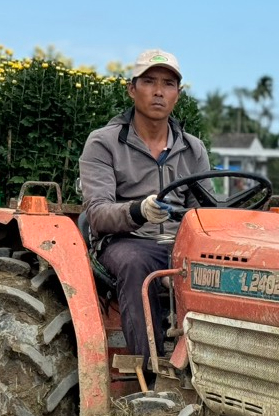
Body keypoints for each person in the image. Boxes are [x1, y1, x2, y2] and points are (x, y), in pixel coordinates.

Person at [79, 49, 211, 368]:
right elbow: (97, 213)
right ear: (131, 88)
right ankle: (149, 374)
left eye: (167, 84)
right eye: (149, 81)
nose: (158, 91)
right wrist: (139, 210)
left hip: (179, 246)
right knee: (138, 264)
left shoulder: (193, 149)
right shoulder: (104, 143)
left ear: (177, 94)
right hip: (126, 241)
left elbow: (205, 212)